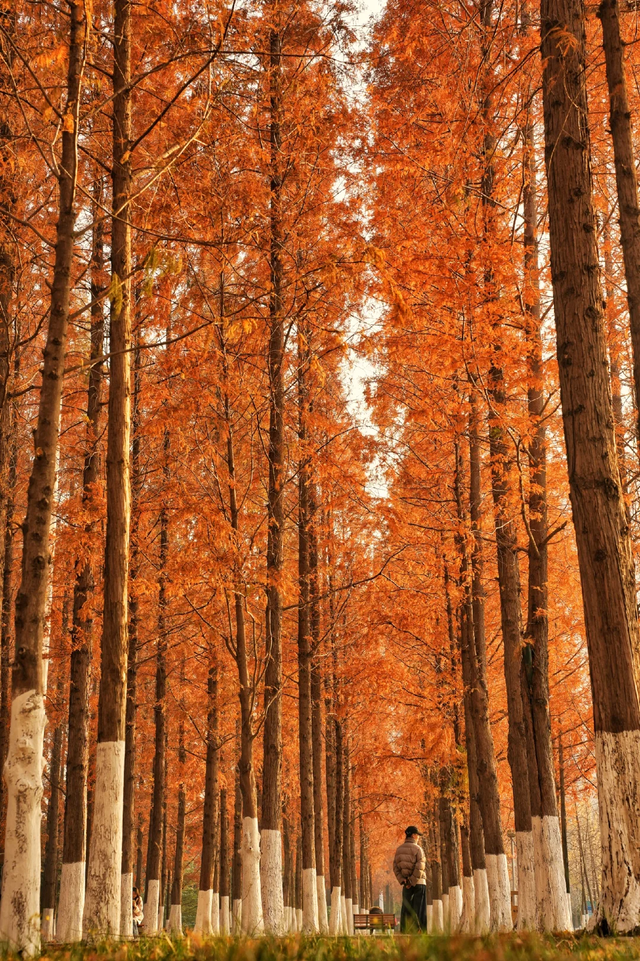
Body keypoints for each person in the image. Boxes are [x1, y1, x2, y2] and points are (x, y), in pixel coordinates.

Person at [393, 825, 427, 933]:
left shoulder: (399, 850)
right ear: (413, 835)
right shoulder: (418, 849)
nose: (418, 837)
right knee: (419, 909)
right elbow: (420, 866)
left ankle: (404, 931)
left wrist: (404, 880)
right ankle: (421, 932)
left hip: (406, 883)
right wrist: (412, 881)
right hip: (419, 883)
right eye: (418, 835)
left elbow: (395, 867)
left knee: (406, 908)